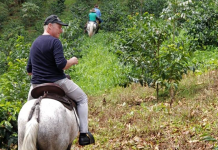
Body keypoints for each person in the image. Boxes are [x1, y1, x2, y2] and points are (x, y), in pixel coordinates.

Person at [26, 15, 95, 146]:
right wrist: (72, 61)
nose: (61, 31)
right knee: (82, 98)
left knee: (28, 110)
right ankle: (84, 135)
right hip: (57, 82)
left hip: (35, 85)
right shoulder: (54, 42)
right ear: (50, 26)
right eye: (59, 27)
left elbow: (29, 70)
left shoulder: (35, 43)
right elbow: (61, 65)